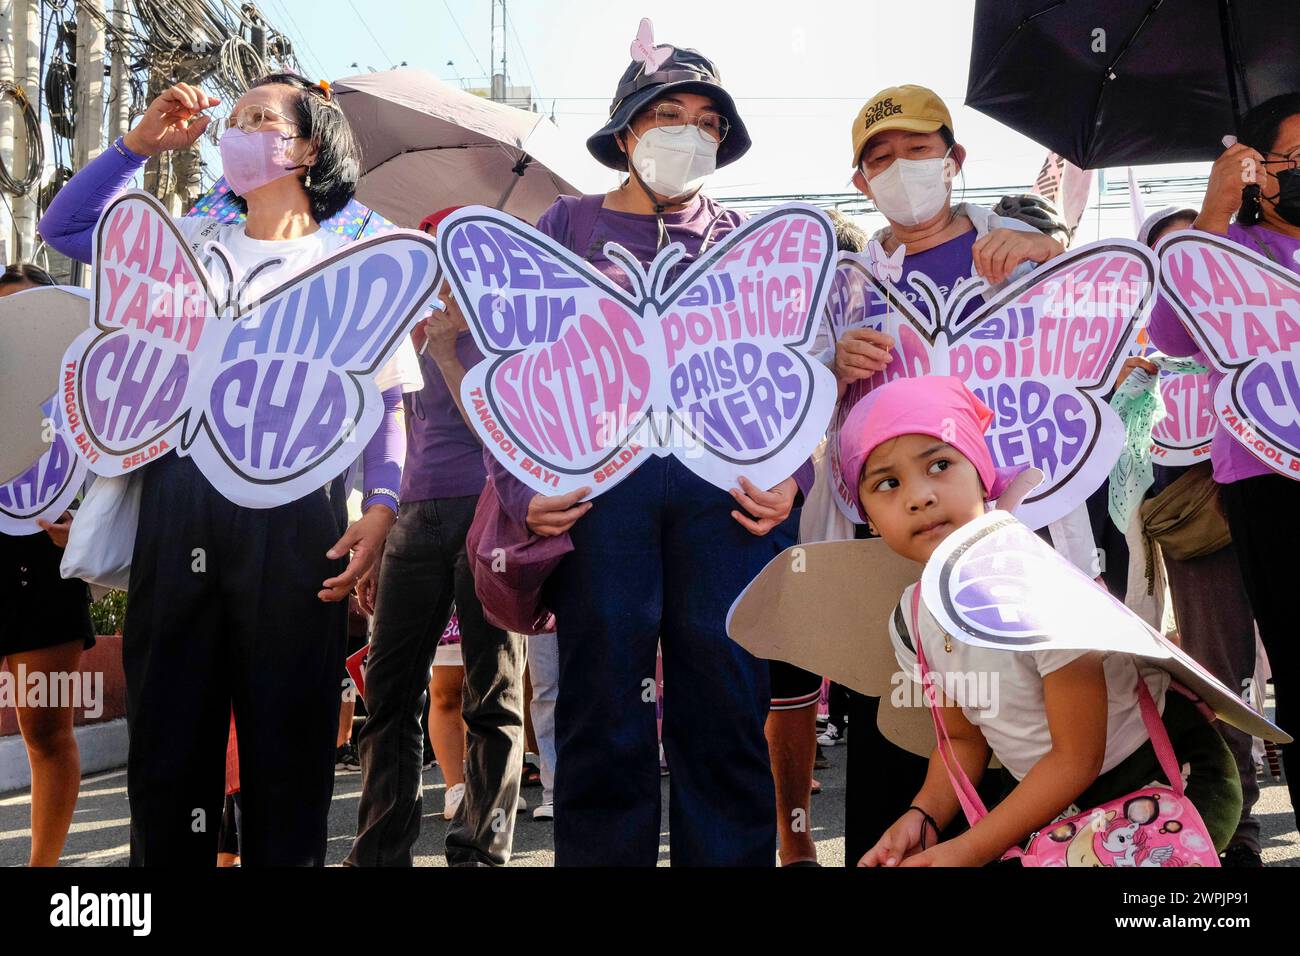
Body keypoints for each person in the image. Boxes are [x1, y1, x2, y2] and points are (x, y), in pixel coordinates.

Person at [39, 73, 408, 866]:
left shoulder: (357, 257)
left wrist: (379, 510)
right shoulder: (187, 246)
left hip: (298, 513)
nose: (237, 130)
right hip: (178, 501)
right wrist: (139, 144)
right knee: (169, 744)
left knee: (288, 743)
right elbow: (65, 228)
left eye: (262, 119)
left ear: (309, 146)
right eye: (233, 119)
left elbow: (390, 404)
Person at [486, 38, 807, 866]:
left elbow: (795, 374)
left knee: (727, 699)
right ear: (626, 133)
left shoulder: (749, 242)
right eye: (667, 117)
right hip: (600, 499)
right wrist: (524, 489)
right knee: (602, 703)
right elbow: (511, 367)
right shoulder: (565, 225)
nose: (687, 135)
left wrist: (792, 478)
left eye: (706, 123)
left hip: (726, 500)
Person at [833, 84, 1098, 864]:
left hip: (1019, 524)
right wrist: (833, 360)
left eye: (918, 150)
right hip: (896, 542)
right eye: (880, 157)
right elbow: (810, 407)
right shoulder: (850, 283)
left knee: (1035, 716)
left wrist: (1051, 257)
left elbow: (1091, 340)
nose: (901, 167)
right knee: (912, 710)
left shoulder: (1015, 247)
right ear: (860, 183)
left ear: (954, 160)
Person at [842, 376, 1242, 866]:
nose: (919, 496)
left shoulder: (1040, 584)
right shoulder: (910, 619)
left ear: (981, 472)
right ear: (870, 518)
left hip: (1161, 776)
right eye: (887, 483)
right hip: (1051, 803)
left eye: (940, 464)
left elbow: (1078, 756)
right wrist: (922, 818)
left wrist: (966, 850)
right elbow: (964, 741)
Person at [347, 207, 526, 867]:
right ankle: (379, 848)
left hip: (490, 512)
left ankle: (480, 846)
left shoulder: (506, 331)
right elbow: (384, 434)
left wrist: (451, 350)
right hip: (411, 520)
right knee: (389, 692)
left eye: (453, 252)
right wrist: (377, 527)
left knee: (494, 690)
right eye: (428, 251)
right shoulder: (398, 328)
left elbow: (512, 439)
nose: (440, 267)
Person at [1146, 93, 1300, 831]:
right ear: (1254, 168)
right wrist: (1211, 210)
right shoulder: (1229, 250)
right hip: (1269, 485)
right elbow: (1173, 334)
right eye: (1292, 159)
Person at [0, 263, 93, 866]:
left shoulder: (84, 394)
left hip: (44, 564)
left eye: (35, 311)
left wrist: (83, 527)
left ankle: (43, 869)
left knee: (45, 733)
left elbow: (115, 471)